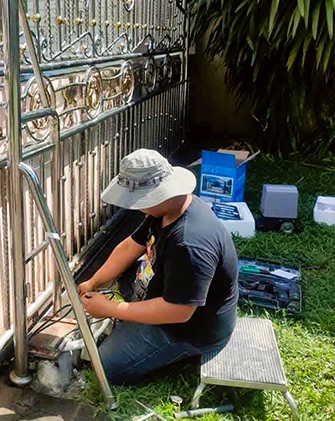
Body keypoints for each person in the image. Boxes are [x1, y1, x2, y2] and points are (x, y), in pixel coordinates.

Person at [78, 149, 238, 385]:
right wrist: (94, 282)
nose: (135, 207)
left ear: (157, 196)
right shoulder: (169, 209)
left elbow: (178, 312)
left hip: (190, 329)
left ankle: (162, 344)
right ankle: (135, 320)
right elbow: (129, 247)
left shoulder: (189, 243)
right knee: (124, 277)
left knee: (104, 367)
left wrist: (111, 309)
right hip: (170, 300)